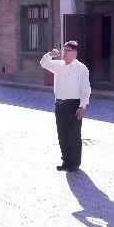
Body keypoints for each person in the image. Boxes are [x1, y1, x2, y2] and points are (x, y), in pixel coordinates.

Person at [40, 42, 91, 172]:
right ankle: (66, 161)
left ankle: (75, 163)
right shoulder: (58, 65)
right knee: (62, 134)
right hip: (59, 104)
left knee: (74, 135)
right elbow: (43, 63)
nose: (64, 52)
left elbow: (86, 89)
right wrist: (50, 54)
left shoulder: (81, 68)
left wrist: (82, 106)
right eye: (63, 50)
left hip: (73, 105)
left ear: (75, 53)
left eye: (67, 50)